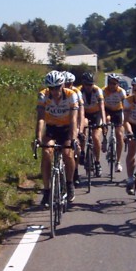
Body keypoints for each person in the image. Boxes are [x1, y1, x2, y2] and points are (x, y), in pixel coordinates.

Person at [36, 70, 79, 207]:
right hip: (52, 128)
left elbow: (73, 119)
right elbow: (41, 118)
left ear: (63, 85)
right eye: (51, 88)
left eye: (57, 87)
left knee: (68, 154)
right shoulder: (43, 95)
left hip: (67, 128)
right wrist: (37, 137)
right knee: (47, 152)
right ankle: (47, 190)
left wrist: (73, 139)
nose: (55, 91)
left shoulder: (71, 95)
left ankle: (70, 183)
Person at [78, 72, 106, 177]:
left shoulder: (97, 90)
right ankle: (82, 152)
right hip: (84, 114)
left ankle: (97, 163)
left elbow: (102, 108)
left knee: (95, 137)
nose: (89, 87)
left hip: (96, 114)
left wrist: (104, 123)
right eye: (87, 84)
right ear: (83, 84)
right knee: (83, 130)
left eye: (91, 84)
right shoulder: (79, 91)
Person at [64, 71, 85, 186]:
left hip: (74, 119)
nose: (67, 86)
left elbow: (81, 113)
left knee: (74, 147)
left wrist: (80, 130)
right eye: (65, 84)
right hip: (61, 121)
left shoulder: (76, 92)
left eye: (69, 84)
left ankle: (75, 171)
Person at [103, 73, 126, 173]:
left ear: (118, 84)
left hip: (118, 112)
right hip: (107, 110)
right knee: (106, 120)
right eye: (110, 83)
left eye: (114, 83)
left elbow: (126, 106)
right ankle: (104, 139)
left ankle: (118, 161)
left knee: (119, 135)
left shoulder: (121, 92)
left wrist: (125, 121)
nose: (112, 85)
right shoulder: (104, 91)